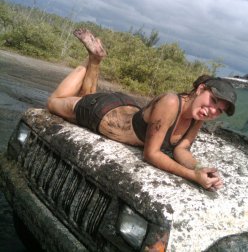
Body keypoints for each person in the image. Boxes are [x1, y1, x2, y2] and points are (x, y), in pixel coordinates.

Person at [47, 29, 237, 191]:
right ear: (201, 89)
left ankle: (95, 60)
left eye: (219, 110)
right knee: (55, 102)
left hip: (123, 107)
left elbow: (182, 149)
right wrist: (191, 176)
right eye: (213, 101)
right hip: (100, 113)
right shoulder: (171, 102)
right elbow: (151, 154)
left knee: (86, 94)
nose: (212, 110)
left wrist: (199, 169)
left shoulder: (198, 118)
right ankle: (90, 60)